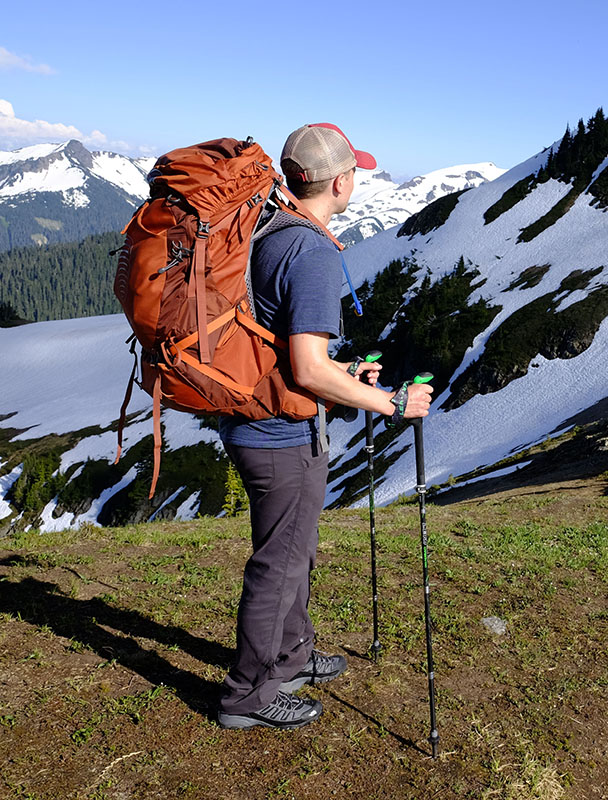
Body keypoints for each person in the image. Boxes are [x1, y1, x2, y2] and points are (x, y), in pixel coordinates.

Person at [215, 123, 433, 730]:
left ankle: (292, 654)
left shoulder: (269, 230)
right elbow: (308, 369)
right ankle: (248, 696)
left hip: (258, 424)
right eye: (355, 171)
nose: (357, 179)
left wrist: (345, 372)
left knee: (293, 553)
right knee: (279, 565)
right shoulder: (310, 251)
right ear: (339, 181)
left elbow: (286, 351)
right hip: (281, 438)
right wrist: (389, 403)